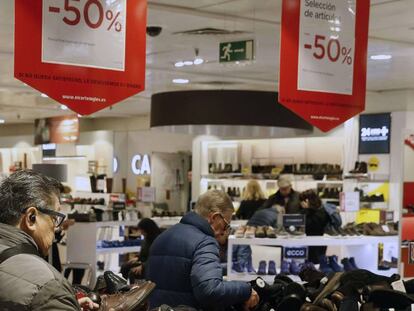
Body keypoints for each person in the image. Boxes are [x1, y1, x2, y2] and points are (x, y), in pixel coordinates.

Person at [0, 170, 98, 310]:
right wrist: (57, 301)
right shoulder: (49, 287)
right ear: (31, 218)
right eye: (54, 218)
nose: (56, 227)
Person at [147, 190, 259, 310]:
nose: (225, 231)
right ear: (214, 217)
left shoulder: (162, 237)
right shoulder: (205, 242)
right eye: (226, 225)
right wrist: (246, 289)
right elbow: (210, 291)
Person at [121, 218, 161, 282]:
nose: (141, 233)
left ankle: (134, 290)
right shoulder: (147, 238)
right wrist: (137, 258)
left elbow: (157, 258)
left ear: (148, 229)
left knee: (133, 272)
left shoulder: (158, 240)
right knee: (125, 266)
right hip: (146, 263)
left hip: (153, 265)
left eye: (142, 230)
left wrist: (143, 266)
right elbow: (145, 253)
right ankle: (121, 288)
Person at [299, 189, 330, 264]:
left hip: (314, 242)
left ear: (306, 201)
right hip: (319, 242)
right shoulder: (323, 211)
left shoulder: (318, 213)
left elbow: (310, 225)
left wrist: (307, 210)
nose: (300, 203)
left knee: (314, 262)